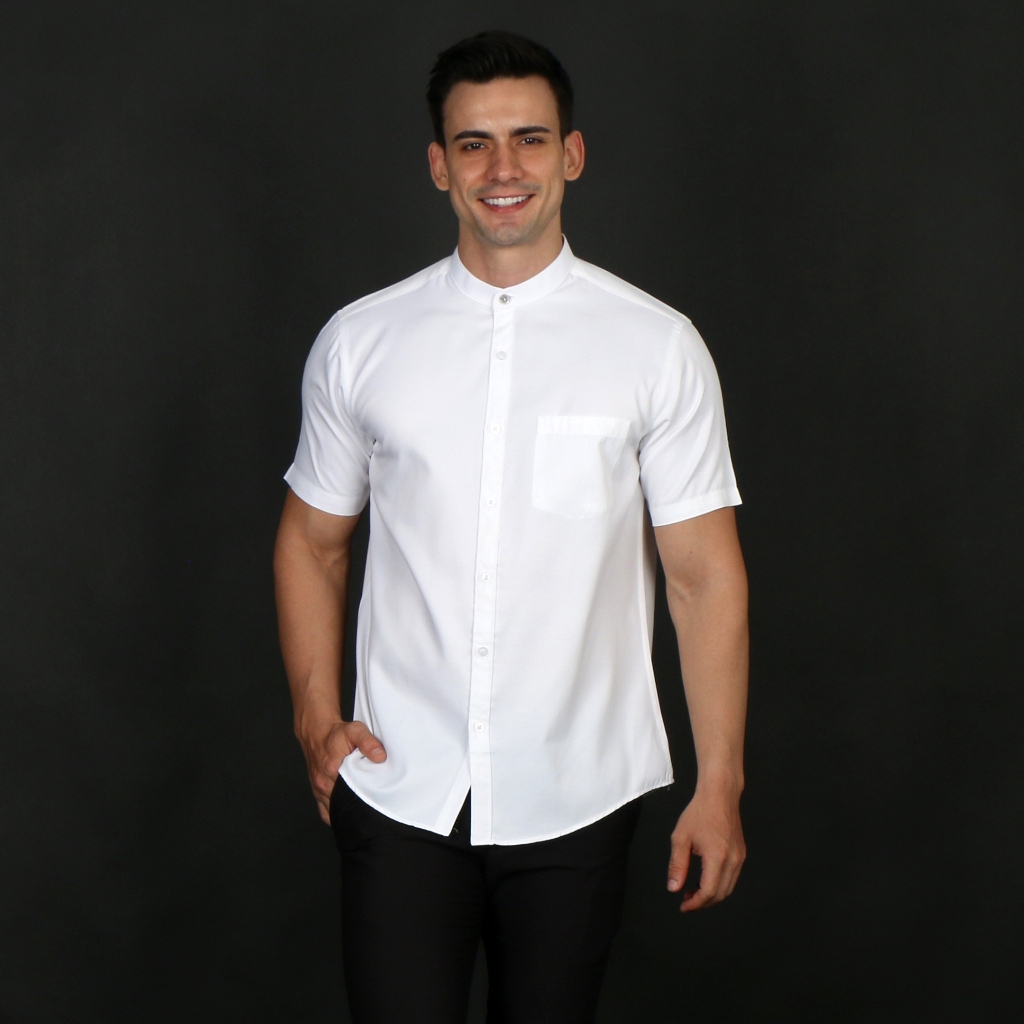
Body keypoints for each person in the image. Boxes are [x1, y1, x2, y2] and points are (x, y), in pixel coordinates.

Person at [274, 29, 748, 1024]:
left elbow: (702, 576)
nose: (503, 170)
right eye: (474, 144)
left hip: (578, 791)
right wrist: (316, 718)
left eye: (529, 139)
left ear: (570, 155)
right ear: (438, 165)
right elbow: (313, 541)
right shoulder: (361, 342)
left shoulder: (656, 347)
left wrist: (720, 784)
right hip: (400, 787)